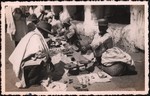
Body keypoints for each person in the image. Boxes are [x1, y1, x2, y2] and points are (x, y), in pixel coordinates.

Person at [9, 21, 54, 88]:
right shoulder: (35, 37)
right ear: (42, 31)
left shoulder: (33, 34)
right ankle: (30, 80)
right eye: (46, 33)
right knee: (41, 61)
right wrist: (48, 60)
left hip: (23, 59)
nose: (46, 35)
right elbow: (38, 54)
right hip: (24, 63)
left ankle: (32, 76)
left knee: (44, 61)